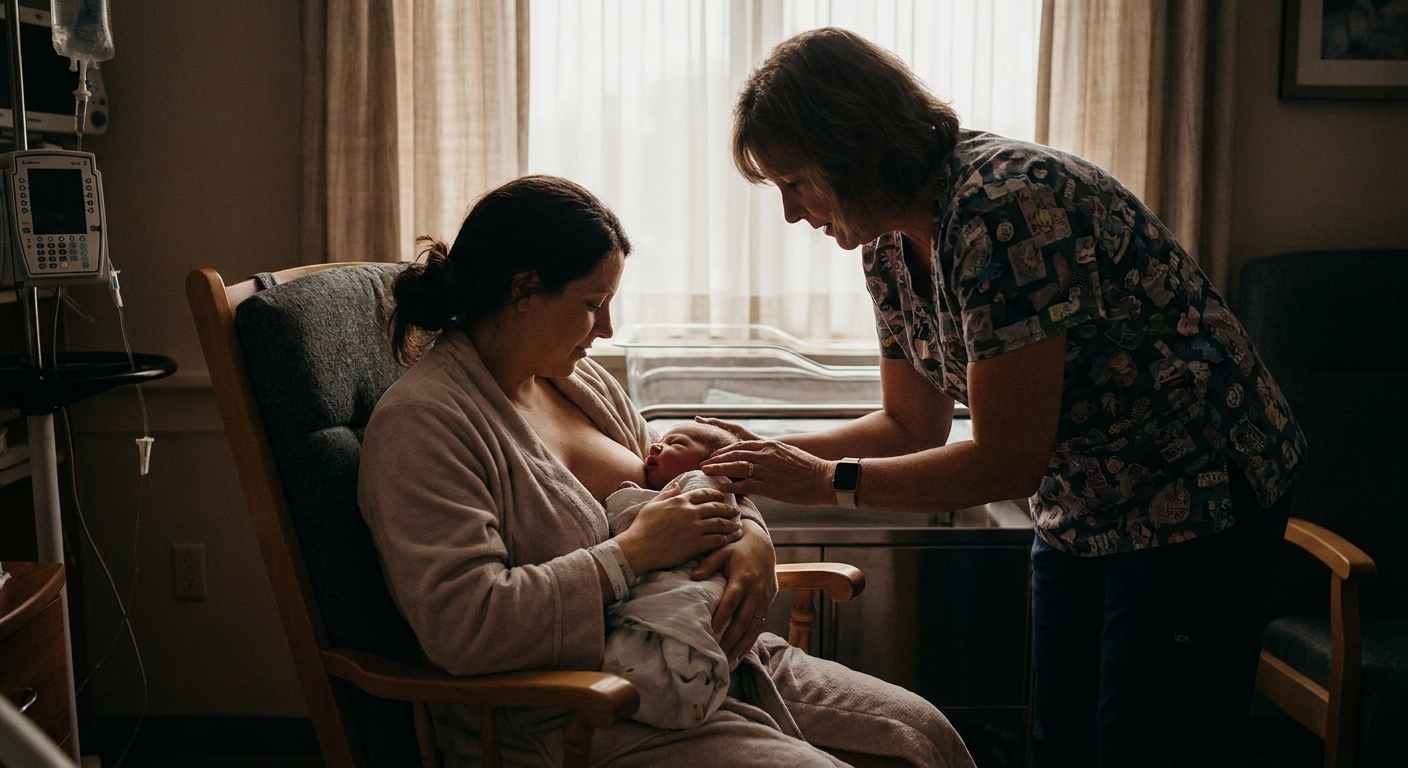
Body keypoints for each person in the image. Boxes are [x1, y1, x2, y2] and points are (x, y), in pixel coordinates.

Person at [703, 27, 1307, 768]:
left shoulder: (1007, 206)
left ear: (850, 145)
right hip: (1083, 502)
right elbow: (910, 422)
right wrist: (759, 456)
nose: (792, 213)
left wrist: (826, 482)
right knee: (1059, 741)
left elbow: (1007, 462)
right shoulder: (888, 245)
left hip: (1198, 496)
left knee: (1145, 744)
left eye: (794, 181)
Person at [357, 174, 974, 767]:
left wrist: (752, 537)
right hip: (573, 711)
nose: (607, 329)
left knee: (924, 738)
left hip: (706, 660)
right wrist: (632, 553)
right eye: (592, 304)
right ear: (525, 292)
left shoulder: (577, 381)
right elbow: (469, 626)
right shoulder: (423, 427)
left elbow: (687, 478)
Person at [600, 421, 743, 730]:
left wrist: (754, 537)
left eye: (674, 443)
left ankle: (674, 678)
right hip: (586, 693)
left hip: (691, 582)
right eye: (661, 441)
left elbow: (714, 500)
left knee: (682, 610)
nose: (654, 446)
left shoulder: (699, 480)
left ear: (711, 465)